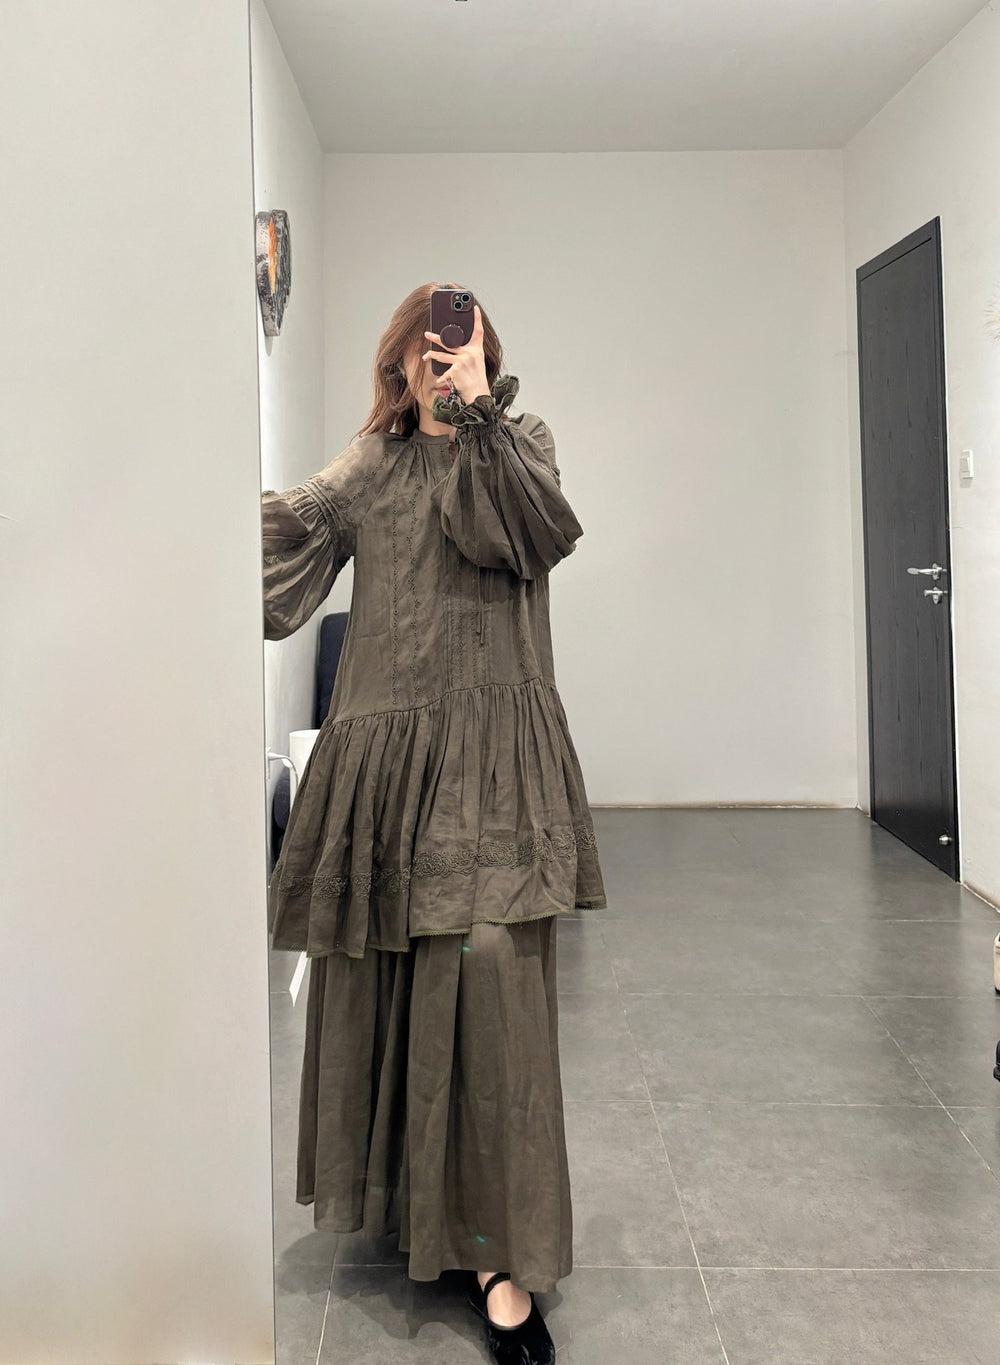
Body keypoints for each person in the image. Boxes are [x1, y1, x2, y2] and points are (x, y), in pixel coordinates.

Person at [261, 281, 607, 1364]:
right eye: (427, 347)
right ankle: (413, 1206)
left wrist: (479, 416)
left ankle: (504, 1255)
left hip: (495, 765)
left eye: (461, 345)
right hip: (387, 767)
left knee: (493, 982)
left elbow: (532, 533)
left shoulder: (522, 444)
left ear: (486, 355)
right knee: (395, 981)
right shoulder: (372, 464)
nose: (443, 360)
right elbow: (283, 551)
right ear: (398, 364)